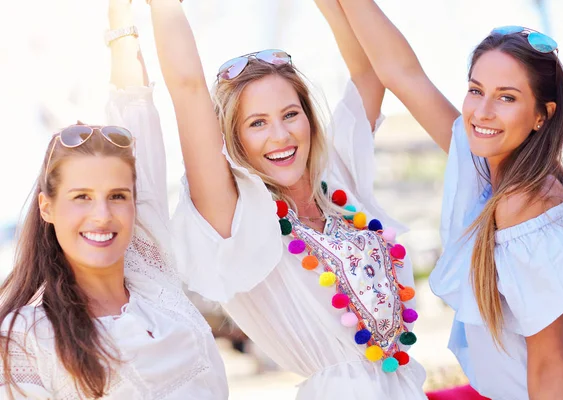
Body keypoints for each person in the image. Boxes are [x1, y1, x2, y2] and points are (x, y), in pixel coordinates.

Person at [146, 0, 427, 398]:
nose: (280, 136)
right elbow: (187, 89)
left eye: (290, 114)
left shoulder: (338, 179)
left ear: (309, 117)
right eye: (257, 123)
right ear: (233, 137)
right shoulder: (237, 216)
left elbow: (368, 72)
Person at [336, 1, 563, 399]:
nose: (482, 111)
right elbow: (401, 73)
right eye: (476, 90)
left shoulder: (524, 203)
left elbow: (552, 364)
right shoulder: (488, 163)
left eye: (507, 97)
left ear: (542, 115)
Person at [0, 0, 227, 398]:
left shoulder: (151, 271)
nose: (102, 214)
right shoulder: (23, 335)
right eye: (82, 197)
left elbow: (136, 102)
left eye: (117, 196)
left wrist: (121, 16)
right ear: (46, 207)